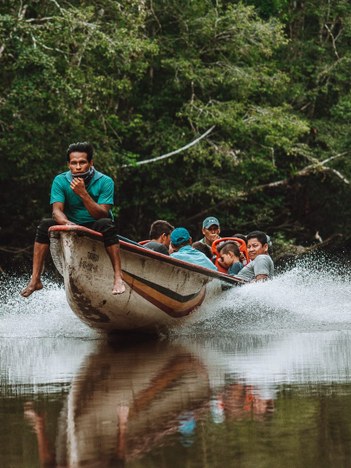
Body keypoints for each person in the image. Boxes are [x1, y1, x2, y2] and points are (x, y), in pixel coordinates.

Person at [20, 141, 125, 297]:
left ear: (91, 163)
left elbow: (102, 214)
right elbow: (57, 212)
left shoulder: (105, 181)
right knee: (44, 225)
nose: (78, 167)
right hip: (71, 223)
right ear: (68, 164)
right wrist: (69, 224)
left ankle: (118, 277)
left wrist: (83, 193)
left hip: (96, 223)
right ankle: (35, 279)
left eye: (82, 162)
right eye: (74, 163)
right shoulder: (60, 180)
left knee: (107, 224)